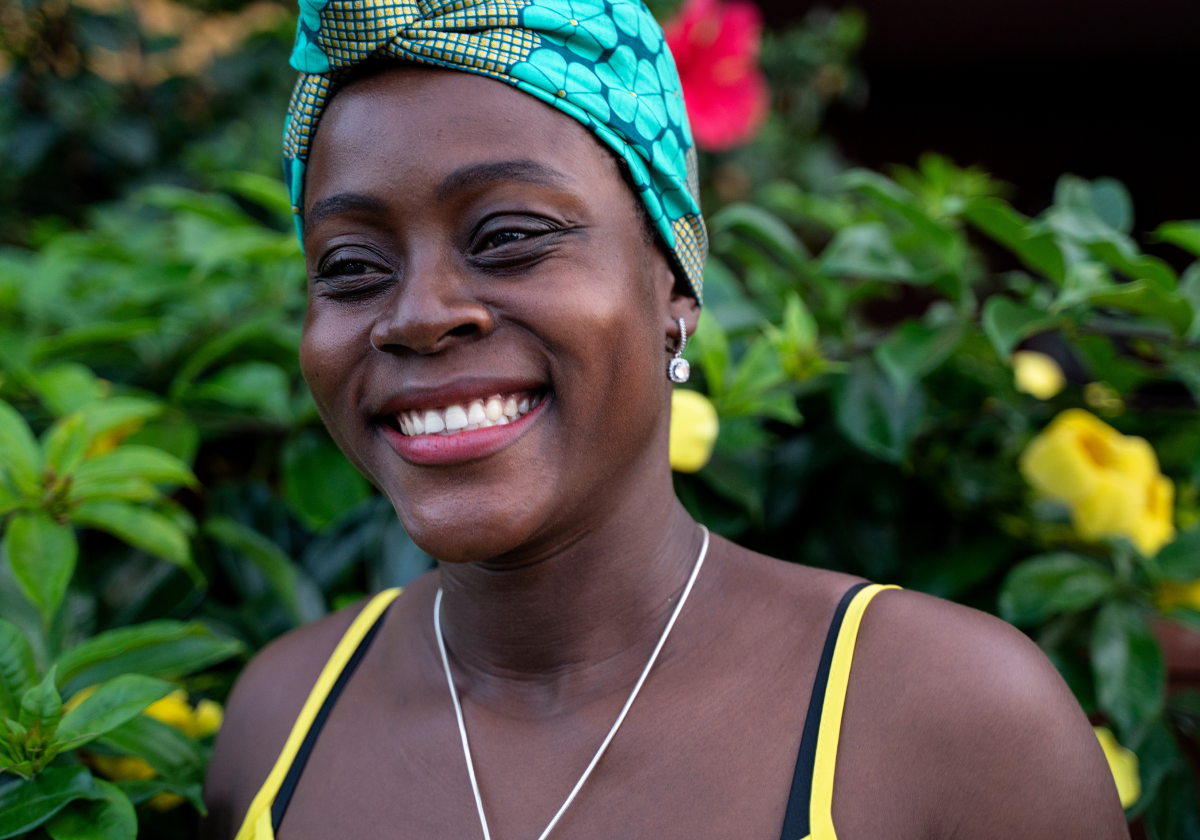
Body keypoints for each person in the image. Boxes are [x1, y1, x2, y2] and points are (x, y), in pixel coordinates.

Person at [200, 0, 1130, 837]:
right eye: (351, 266)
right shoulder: (278, 727)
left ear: (673, 282)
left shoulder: (952, 722)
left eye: (509, 237)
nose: (417, 314)